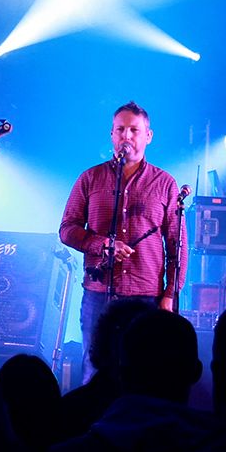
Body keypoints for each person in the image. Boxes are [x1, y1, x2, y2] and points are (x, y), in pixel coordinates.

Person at [59, 101, 187, 377]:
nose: (126, 136)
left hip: (147, 297)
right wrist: (103, 244)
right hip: (98, 293)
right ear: (112, 135)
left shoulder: (165, 183)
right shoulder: (90, 178)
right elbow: (67, 229)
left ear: (148, 136)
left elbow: (176, 244)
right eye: (120, 130)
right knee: (95, 369)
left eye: (133, 130)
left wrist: (170, 294)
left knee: (145, 373)